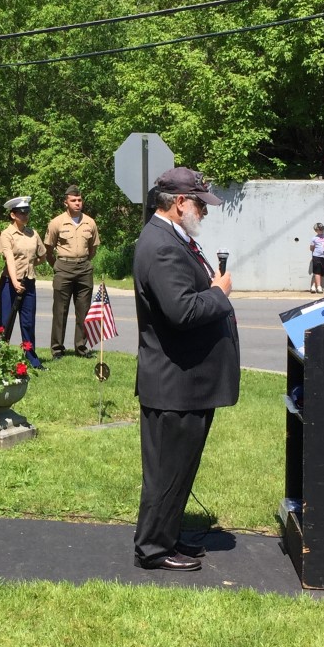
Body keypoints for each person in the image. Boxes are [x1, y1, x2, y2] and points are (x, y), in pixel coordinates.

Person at [133, 167, 240, 572]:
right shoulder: (160, 245)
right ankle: (153, 549)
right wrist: (218, 293)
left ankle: (168, 535)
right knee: (166, 472)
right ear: (179, 203)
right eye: (200, 204)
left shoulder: (171, 238)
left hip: (186, 382)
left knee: (178, 468)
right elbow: (182, 310)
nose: (204, 213)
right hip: (174, 384)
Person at [44, 184, 100, 359]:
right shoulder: (57, 222)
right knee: (60, 310)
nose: (77, 203)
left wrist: (83, 261)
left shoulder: (89, 222)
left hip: (84, 268)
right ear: (65, 202)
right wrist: (58, 265)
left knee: (83, 310)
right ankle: (57, 349)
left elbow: (93, 249)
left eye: (79, 200)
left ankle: (81, 348)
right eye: (73, 200)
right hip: (64, 268)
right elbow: (48, 249)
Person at [0, 196, 47, 369]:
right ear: (13, 215)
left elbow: (42, 255)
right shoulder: (6, 234)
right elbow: (9, 259)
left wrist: (31, 265)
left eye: (27, 213)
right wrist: (14, 281)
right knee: (6, 322)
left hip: (29, 282)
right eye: (21, 213)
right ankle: (1, 357)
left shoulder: (32, 233)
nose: (25, 216)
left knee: (28, 322)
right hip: (9, 283)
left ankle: (31, 359)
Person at [308, 222, 324, 294]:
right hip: (316, 256)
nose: (322, 230)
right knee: (317, 271)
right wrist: (315, 252)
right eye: (320, 229)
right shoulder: (314, 238)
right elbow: (311, 248)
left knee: (321, 272)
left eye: (323, 229)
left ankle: (313, 286)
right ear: (316, 230)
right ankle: (319, 287)